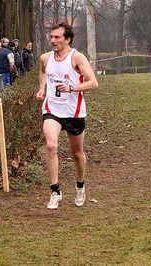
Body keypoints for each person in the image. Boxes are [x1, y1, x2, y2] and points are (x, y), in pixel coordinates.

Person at [36, 22, 98, 209]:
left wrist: (72, 87)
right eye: (51, 36)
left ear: (67, 39)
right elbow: (42, 70)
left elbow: (94, 83)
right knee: (51, 145)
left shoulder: (77, 58)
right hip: (52, 109)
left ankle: (80, 185)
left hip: (74, 112)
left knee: (76, 153)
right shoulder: (46, 58)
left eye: (57, 37)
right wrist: (41, 88)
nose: (52, 40)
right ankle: (55, 191)